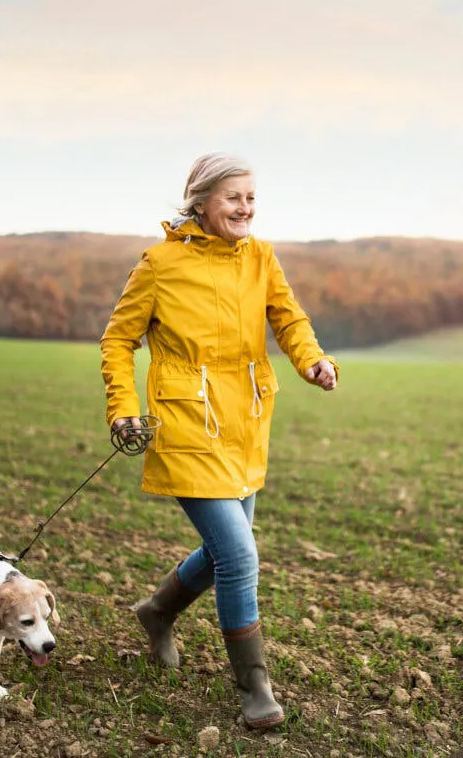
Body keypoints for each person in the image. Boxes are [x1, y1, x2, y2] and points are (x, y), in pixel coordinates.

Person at [99, 152, 338, 729]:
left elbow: (289, 319)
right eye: (234, 197)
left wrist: (311, 361)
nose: (245, 208)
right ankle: (254, 686)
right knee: (238, 555)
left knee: (225, 550)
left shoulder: (261, 257)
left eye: (251, 198)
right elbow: (117, 340)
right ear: (201, 200)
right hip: (184, 425)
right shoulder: (159, 265)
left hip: (245, 422)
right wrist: (123, 408)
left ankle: (157, 612)